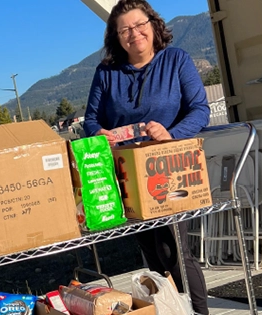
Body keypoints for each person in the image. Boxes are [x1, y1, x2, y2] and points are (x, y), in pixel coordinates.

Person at [82, 0, 211, 314]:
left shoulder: (176, 60)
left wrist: (172, 133)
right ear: (116, 37)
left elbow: (200, 110)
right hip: (126, 175)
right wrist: (99, 133)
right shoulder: (106, 72)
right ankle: (169, 309)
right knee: (149, 249)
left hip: (169, 169)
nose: (133, 33)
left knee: (174, 250)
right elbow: (89, 120)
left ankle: (198, 311)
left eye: (140, 25)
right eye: (124, 29)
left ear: (154, 26)